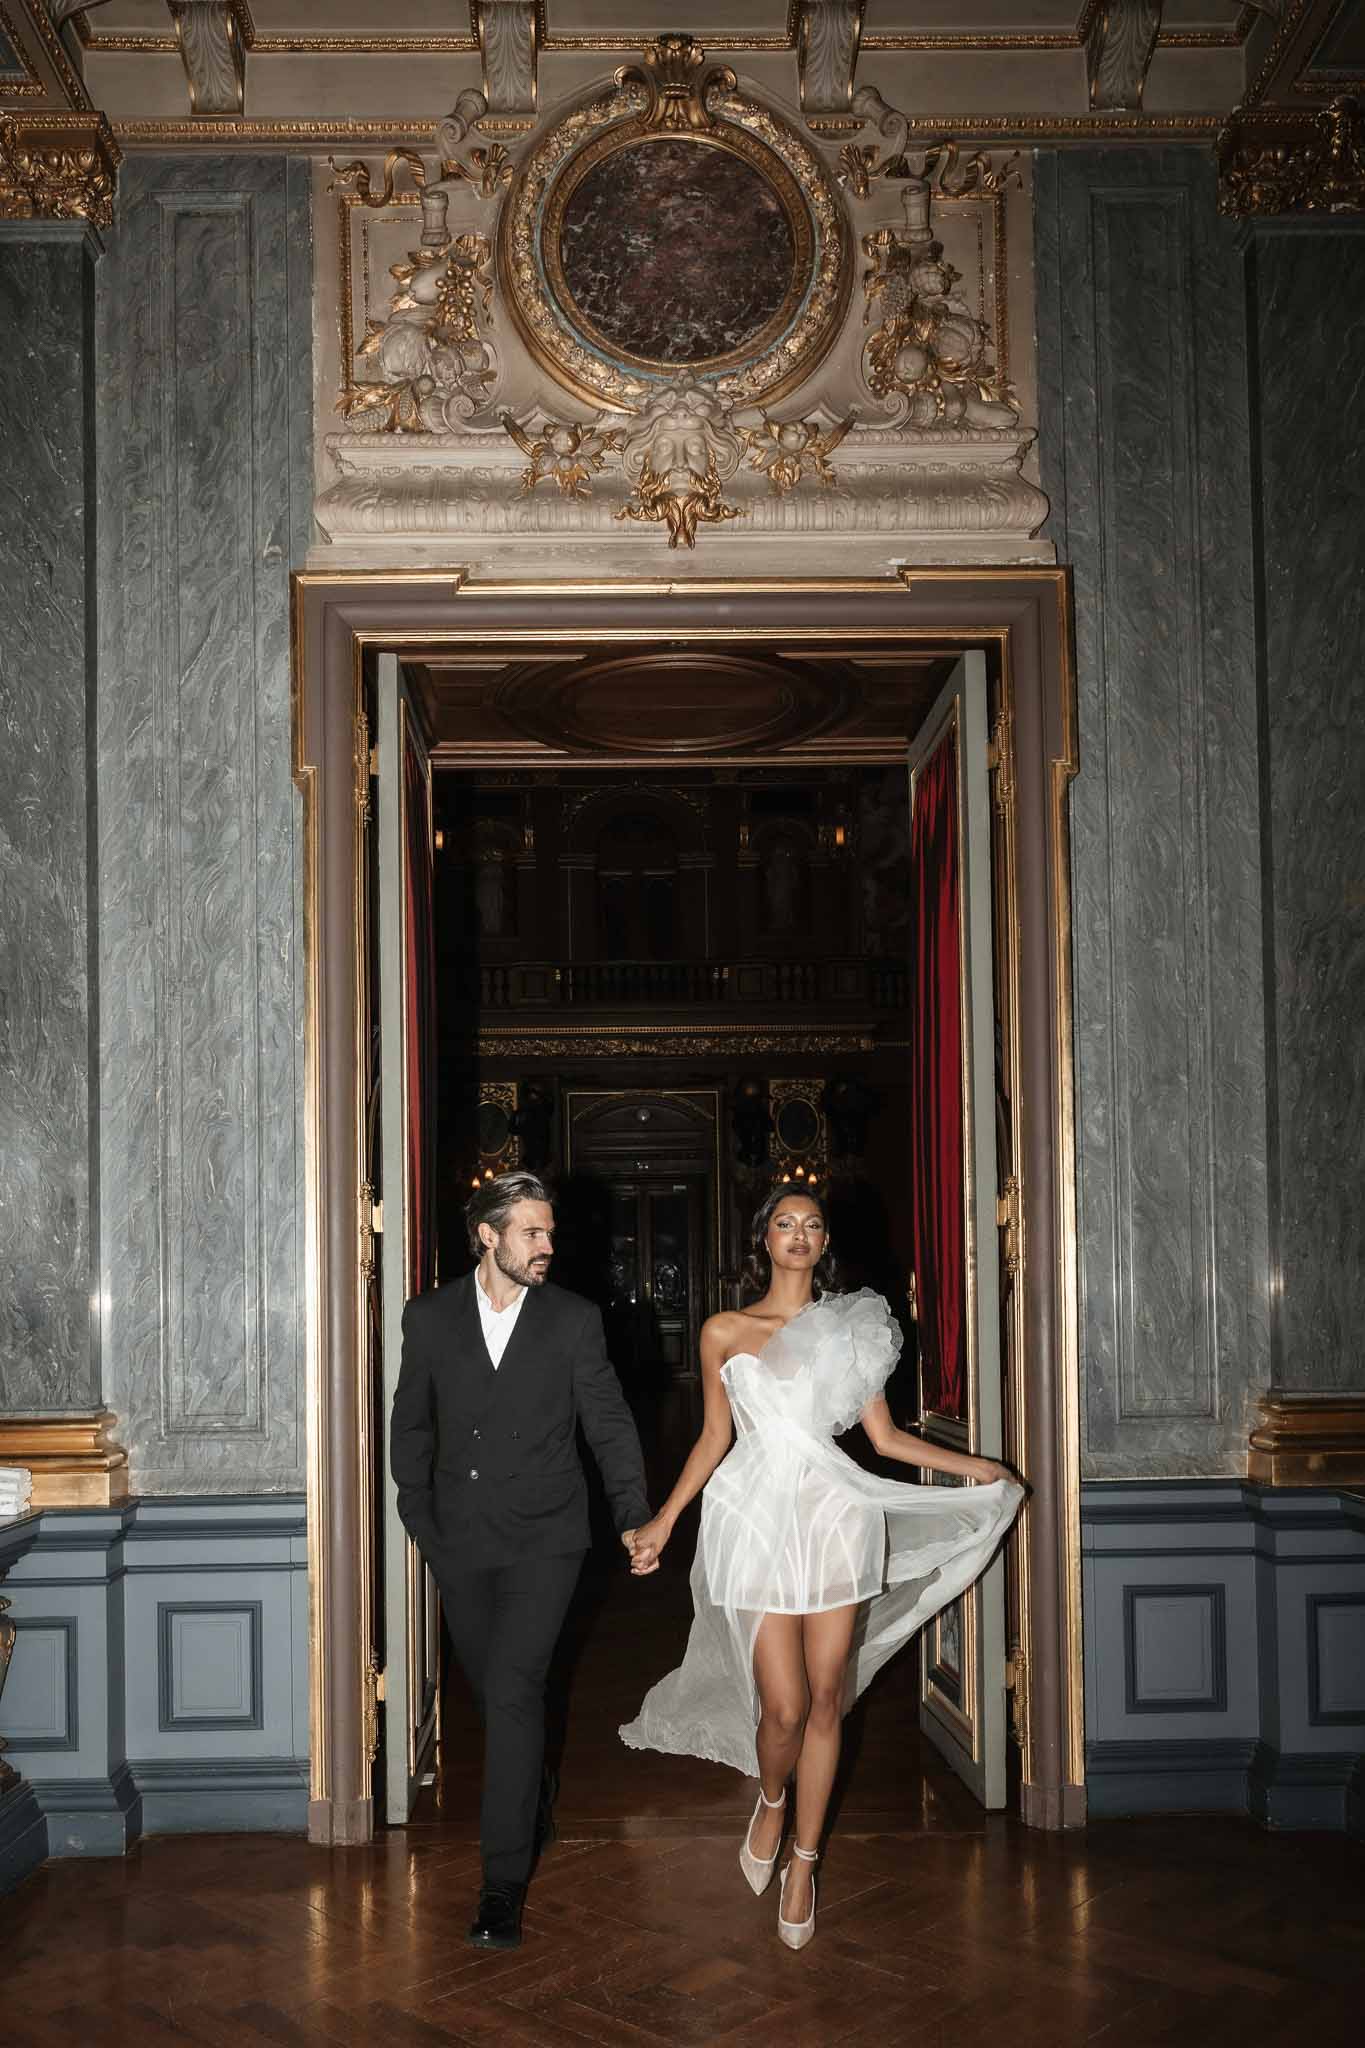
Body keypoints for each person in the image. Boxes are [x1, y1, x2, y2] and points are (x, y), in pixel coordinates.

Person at [620, 1186, 1023, 1950]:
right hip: (753, 1518)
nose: (798, 1235)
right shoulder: (722, 1331)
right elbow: (712, 1436)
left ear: (822, 1241)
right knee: (781, 1709)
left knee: (826, 1698)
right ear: (762, 1239)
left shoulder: (849, 1330)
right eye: (784, 1223)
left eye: (811, 1225)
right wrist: (665, 1520)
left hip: (835, 1518)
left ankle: (804, 1863)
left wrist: (977, 1466)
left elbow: (887, 1438)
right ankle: (771, 1798)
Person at [391, 1169, 651, 1952]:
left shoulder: (571, 1320)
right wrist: (420, 1520)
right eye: (531, 1232)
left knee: (511, 1688)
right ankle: (529, 1795)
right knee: (497, 1689)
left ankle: (501, 1884)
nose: (546, 1245)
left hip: (547, 1535)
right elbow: (411, 1429)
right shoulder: (430, 1317)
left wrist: (633, 1515)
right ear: (488, 1235)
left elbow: (606, 1423)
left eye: (548, 1231)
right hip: (461, 1537)